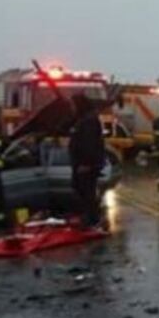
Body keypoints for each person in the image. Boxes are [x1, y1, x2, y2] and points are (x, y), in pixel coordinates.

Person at [68, 94, 106, 228]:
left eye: (73, 105)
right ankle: (90, 218)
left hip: (86, 165)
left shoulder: (88, 121)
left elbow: (89, 144)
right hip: (81, 163)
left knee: (87, 192)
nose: (71, 108)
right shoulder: (83, 119)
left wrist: (87, 164)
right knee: (82, 190)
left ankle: (93, 220)